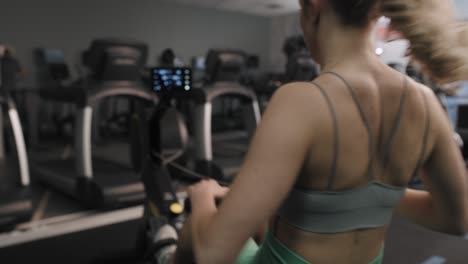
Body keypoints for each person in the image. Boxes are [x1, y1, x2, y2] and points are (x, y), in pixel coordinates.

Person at [156, 0, 468, 263]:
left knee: (192, 235)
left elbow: (214, 252)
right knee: (266, 221)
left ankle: (163, 246)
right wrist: (371, 196)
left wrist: (202, 197)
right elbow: (455, 219)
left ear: (314, 8)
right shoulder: (426, 103)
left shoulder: (300, 101)